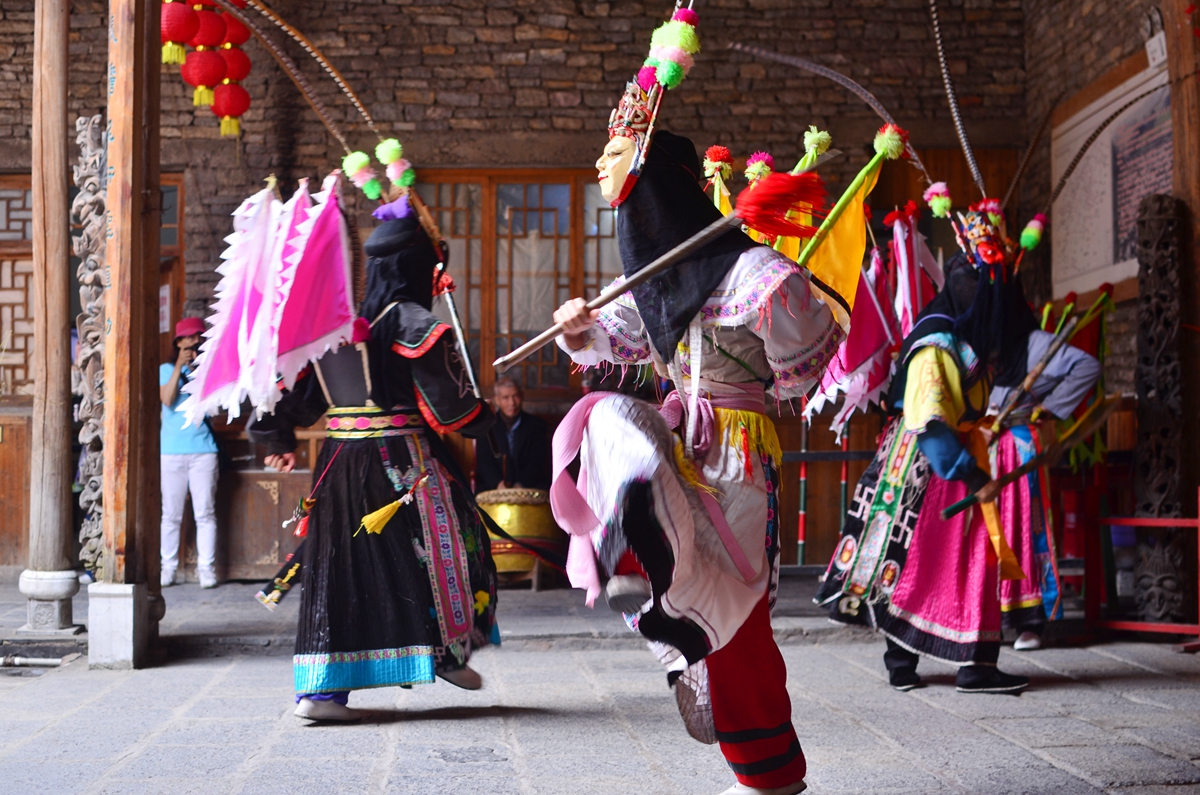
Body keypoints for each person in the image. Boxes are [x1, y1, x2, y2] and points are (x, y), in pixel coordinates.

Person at [549, 12, 840, 792]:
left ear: (655, 187)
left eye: (613, 160)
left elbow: (800, 366)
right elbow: (609, 337)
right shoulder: (652, 282)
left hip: (737, 451)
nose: (600, 169)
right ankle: (640, 563)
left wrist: (775, 309)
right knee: (603, 418)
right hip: (682, 443)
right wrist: (576, 326)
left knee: (736, 611)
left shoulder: (755, 274)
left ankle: (770, 770)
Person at [247, 195, 498, 721]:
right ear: (418, 268)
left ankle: (321, 693)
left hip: (338, 464)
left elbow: (294, 397)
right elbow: (452, 410)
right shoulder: (415, 322)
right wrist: (484, 417)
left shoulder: (339, 327)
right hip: (402, 464)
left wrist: (277, 440)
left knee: (339, 566)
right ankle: (449, 653)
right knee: (453, 541)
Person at [816, 209, 1033, 695]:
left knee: (970, 564)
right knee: (910, 561)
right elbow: (930, 418)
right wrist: (971, 474)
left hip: (959, 458)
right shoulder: (935, 345)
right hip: (922, 468)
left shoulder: (972, 343)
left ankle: (976, 664)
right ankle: (901, 660)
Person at [989, 328, 1101, 651]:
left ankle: (1031, 621)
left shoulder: (1035, 342)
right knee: (987, 533)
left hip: (1021, 449)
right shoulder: (978, 341)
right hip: (984, 447)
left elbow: (1088, 367)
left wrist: (1050, 408)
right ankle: (988, 619)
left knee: (1027, 528)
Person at [160, 316, 220, 589]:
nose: (193, 345)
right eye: (188, 340)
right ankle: (168, 568)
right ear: (178, 343)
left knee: (205, 513)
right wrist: (179, 368)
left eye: (197, 340)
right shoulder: (165, 369)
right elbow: (167, 399)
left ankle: (206, 569)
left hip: (203, 451)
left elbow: (215, 406)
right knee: (171, 515)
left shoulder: (209, 369)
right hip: (172, 451)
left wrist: (200, 370)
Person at [475, 376, 551, 492]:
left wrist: (520, 485)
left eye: (515, 396)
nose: (512, 403)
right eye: (505, 398)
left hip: (528, 485)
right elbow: (484, 462)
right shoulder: (487, 426)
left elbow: (536, 462)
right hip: (494, 487)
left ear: (522, 396)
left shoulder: (536, 426)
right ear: (497, 400)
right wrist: (498, 484)